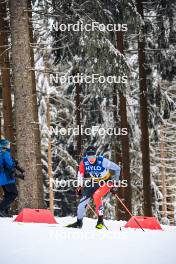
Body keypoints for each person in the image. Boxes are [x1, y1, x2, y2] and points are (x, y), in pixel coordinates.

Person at [67, 146, 121, 229]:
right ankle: (79, 222)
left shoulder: (102, 161)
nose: (91, 158)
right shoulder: (83, 162)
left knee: (96, 195)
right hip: (94, 181)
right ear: (86, 156)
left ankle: (100, 221)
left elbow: (117, 168)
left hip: (106, 181)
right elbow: (80, 174)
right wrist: (79, 186)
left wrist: (115, 184)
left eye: (93, 156)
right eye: (89, 156)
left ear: (96, 155)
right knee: (82, 202)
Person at [0, 139, 18, 217]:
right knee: (13, 193)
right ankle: (1, 209)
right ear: (5, 145)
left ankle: (5, 211)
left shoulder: (0, 153)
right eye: (8, 144)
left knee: (8, 194)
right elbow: (10, 165)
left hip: (2, 178)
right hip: (7, 177)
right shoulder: (5, 153)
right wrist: (14, 163)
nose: (9, 146)